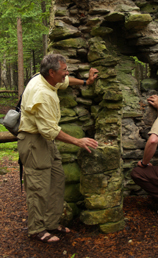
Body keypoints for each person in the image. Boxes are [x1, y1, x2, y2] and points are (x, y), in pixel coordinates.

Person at [17, 54, 99, 243]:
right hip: (34, 141)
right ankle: (37, 229)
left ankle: (51, 223)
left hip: (45, 140)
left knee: (56, 179)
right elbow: (49, 131)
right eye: (64, 70)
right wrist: (78, 141)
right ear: (52, 72)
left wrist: (86, 82)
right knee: (38, 186)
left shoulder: (48, 79)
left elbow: (66, 82)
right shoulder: (42, 93)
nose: (67, 73)